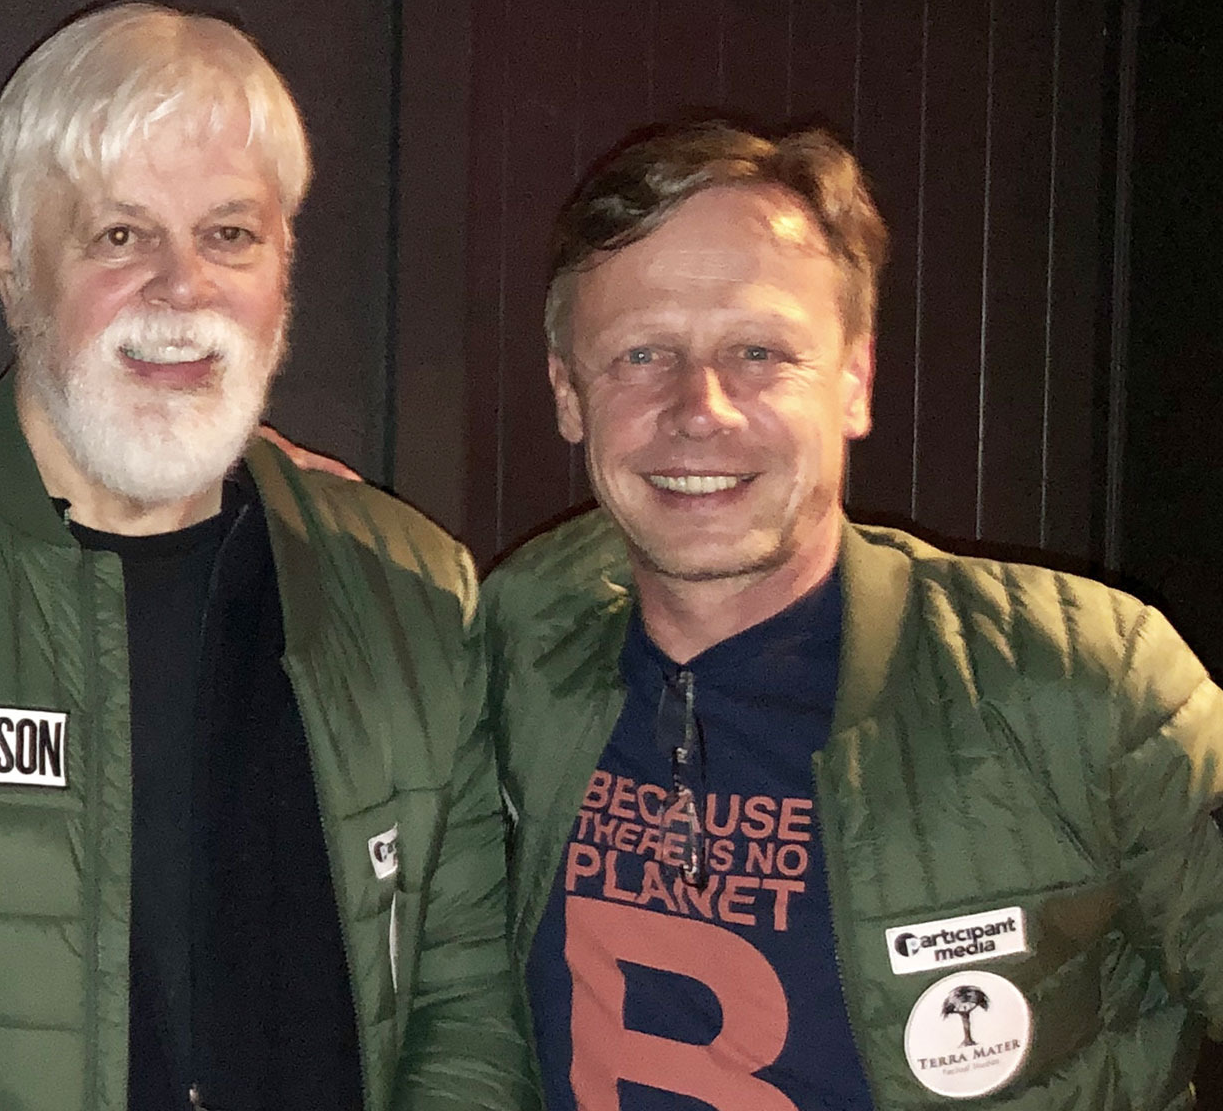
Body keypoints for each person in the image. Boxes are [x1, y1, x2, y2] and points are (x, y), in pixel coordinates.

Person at [0, 1, 529, 1111]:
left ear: (285, 264)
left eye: (229, 234)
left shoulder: (415, 590)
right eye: (119, 235)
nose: (181, 288)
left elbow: (469, 1017)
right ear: (9, 261)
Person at [487, 121, 1223, 1110]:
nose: (701, 406)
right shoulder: (510, 652)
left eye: (760, 351)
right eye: (640, 355)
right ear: (567, 396)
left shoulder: (1084, 684)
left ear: (855, 382)